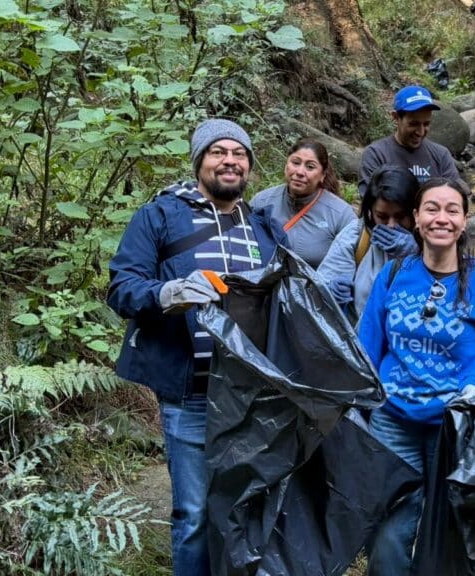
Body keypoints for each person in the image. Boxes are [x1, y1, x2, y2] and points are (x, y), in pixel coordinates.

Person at [107, 119, 284, 576]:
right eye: (218, 152)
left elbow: (291, 300)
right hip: (191, 394)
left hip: (253, 397)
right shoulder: (162, 215)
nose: (230, 161)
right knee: (194, 514)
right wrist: (167, 294)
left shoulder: (264, 227)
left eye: (239, 153)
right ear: (199, 161)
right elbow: (123, 287)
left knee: (247, 508)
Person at [358, 177, 475, 575]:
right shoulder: (394, 274)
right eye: (431, 208)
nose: (441, 218)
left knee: (450, 529)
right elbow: (366, 348)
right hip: (392, 421)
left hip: (454, 426)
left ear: (464, 220)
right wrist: (362, 406)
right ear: (416, 217)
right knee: (388, 529)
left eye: (452, 210)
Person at [317, 164, 420, 319]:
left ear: (415, 212)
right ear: (371, 212)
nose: (391, 225)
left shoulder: (431, 237)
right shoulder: (356, 235)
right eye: (382, 217)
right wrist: (330, 292)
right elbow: (320, 290)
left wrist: (417, 252)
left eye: (400, 217)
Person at [250, 139, 356, 268]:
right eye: (295, 163)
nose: (300, 172)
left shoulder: (341, 214)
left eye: (310, 167)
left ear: (323, 175)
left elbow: (349, 266)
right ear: (286, 165)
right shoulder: (261, 202)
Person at [358, 85, 462, 198]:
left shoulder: (441, 155)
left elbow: (455, 198)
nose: (421, 132)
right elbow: (370, 206)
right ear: (396, 118)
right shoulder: (376, 155)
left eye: (426, 124)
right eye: (414, 124)